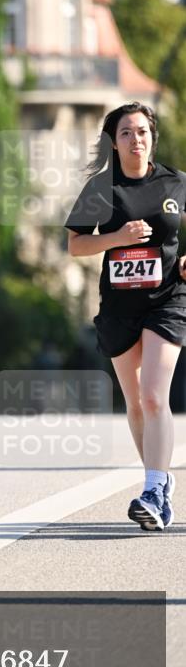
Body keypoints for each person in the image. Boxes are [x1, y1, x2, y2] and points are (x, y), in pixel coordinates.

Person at [65, 102, 186, 531]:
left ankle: (153, 489)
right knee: (135, 402)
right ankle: (161, 482)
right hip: (118, 307)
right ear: (113, 143)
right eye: (126, 133)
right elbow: (76, 245)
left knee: (154, 395)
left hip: (167, 300)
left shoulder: (176, 183)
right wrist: (117, 238)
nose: (136, 139)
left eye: (142, 131)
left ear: (153, 136)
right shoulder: (101, 189)